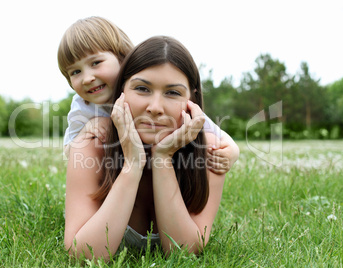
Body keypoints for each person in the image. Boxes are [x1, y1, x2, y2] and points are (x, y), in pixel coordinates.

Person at [64, 36, 228, 260]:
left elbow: (184, 252)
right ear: (121, 91)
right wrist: (133, 164)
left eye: (173, 93)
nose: (155, 107)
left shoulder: (211, 151)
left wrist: (162, 158)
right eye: (142, 88)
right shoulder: (92, 143)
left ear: (192, 100)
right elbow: (83, 255)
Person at [57, 16, 240, 174]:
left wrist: (231, 147)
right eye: (75, 72)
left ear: (123, 58)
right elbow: (69, 152)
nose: (87, 78)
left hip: (159, 171)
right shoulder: (83, 106)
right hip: (113, 179)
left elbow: (201, 120)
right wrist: (88, 130)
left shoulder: (142, 92)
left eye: (96, 62)